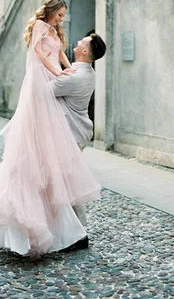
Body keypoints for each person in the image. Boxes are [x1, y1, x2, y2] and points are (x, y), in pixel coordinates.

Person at [0, 0, 101, 257]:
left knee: (53, 167)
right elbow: (38, 52)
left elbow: (59, 54)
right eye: (59, 15)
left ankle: (67, 229)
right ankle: (65, 229)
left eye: (63, 16)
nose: (61, 20)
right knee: (45, 160)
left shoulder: (55, 33)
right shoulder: (40, 28)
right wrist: (59, 73)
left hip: (54, 82)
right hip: (41, 78)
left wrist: (67, 69)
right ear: (51, 11)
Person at [50, 32, 106, 238]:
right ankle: (77, 230)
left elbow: (43, 90)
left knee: (62, 184)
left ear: (84, 51)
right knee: (68, 182)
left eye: (83, 41)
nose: (79, 40)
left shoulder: (74, 77)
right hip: (79, 133)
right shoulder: (86, 73)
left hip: (70, 135)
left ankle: (73, 232)